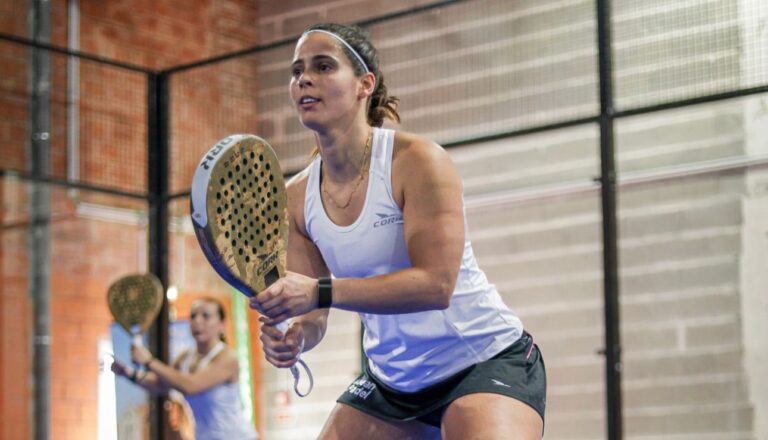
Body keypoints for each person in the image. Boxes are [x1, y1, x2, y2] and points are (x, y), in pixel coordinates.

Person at [249, 22, 546, 440]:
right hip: (393, 382)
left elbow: (435, 285)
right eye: (297, 71)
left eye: (323, 66)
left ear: (363, 85)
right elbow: (315, 314)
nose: (304, 79)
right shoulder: (296, 198)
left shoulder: (418, 161)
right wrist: (299, 337)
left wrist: (321, 290)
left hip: (481, 360)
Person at [111, 297, 258, 440]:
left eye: (205, 316)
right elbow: (160, 385)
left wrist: (149, 361)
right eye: (193, 316)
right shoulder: (185, 357)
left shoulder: (227, 357)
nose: (197, 321)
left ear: (221, 324)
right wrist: (128, 373)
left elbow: (191, 385)